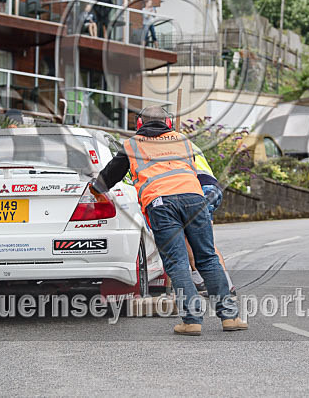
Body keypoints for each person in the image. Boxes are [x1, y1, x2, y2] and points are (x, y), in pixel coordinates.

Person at [91, 106, 248, 336]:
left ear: (139, 124)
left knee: (177, 263)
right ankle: (230, 317)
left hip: (161, 203)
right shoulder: (183, 141)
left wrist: (95, 190)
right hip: (195, 200)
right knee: (207, 258)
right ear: (169, 123)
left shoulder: (132, 145)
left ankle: (192, 320)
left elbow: (109, 177)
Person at [187, 144, 236, 296]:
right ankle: (224, 283)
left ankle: (203, 281)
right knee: (206, 241)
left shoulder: (171, 143)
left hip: (199, 189)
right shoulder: (186, 142)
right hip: (212, 188)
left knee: (191, 238)